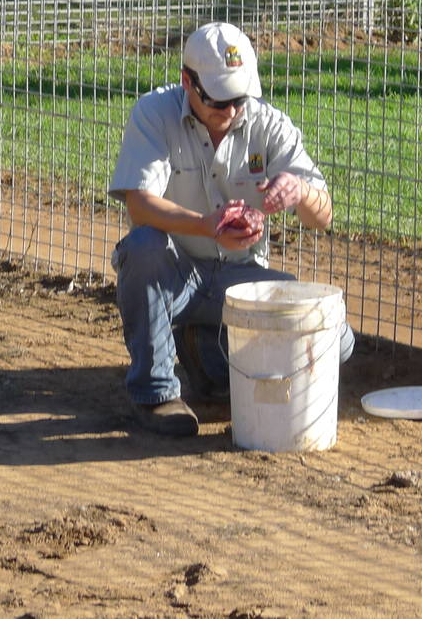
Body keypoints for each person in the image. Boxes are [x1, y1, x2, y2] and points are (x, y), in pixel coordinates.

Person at [107, 21, 354, 436]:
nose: (232, 111)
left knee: (338, 341)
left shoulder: (268, 123)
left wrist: (300, 193)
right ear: (188, 82)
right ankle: (157, 396)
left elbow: (323, 216)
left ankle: (203, 347)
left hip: (240, 282)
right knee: (143, 247)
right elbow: (140, 205)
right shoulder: (154, 113)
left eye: (239, 99)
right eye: (219, 101)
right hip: (176, 273)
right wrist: (207, 227)